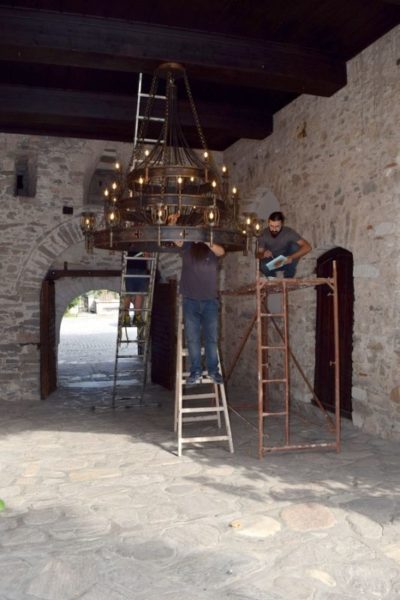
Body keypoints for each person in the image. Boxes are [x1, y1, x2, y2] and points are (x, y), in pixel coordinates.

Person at [168, 212, 225, 385]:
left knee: (211, 338)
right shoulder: (187, 246)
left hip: (210, 301)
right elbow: (175, 239)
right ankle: (196, 371)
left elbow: (221, 251)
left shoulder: (212, 248)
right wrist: (172, 224)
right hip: (190, 300)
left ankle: (213, 371)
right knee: (192, 339)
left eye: (202, 231)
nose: (198, 234)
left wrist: (206, 240)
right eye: (197, 232)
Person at [257, 211, 312, 278]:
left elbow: (308, 247)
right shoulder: (264, 234)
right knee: (262, 265)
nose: (274, 229)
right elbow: (258, 254)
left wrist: (291, 257)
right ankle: (272, 280)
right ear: (268, 223)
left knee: (295, 246)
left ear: (282, 224)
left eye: (277, 226)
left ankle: (288, 277)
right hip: (273, 263)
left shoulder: (289, 232)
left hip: (285, 261)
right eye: (271, 226)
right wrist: (263, 254)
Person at [123, 250, 149, 327]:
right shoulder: (129, 243)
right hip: (129, 269)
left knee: (139, 294)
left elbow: (147, 255)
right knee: (128, 294)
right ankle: (126, 317)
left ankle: (137, 317)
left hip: (142, 269)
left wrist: (147, 254)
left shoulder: (145, 245)